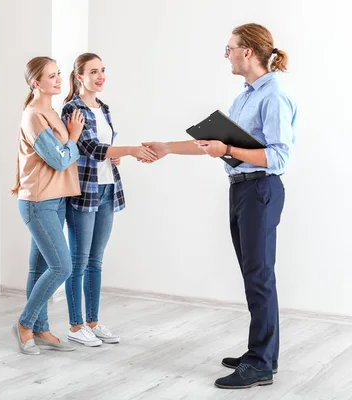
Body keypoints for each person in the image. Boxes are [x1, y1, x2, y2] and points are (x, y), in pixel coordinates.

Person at [144, 23, 297, 389]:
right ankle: (262, 354)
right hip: (242, 190)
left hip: (261, 190)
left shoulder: (273, 95)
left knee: (260, 277)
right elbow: (213, 143)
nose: (226, 54)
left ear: (248, 51)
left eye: (229, 48)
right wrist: (166, 147)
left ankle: (260, 362)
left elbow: (278, 157)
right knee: (253, 276)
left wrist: (228, 150)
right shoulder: (245, 95)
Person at [61, 53, 158, 347]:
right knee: (78, 262)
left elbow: (106, 148)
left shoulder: (103, 108)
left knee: (96, 261)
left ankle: (92, 321)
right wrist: (127, 150)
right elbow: (88, 145)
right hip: (84, 192)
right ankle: (75, 326)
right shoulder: (72, 109)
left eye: (102, 71)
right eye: (93, 72)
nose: (100, 76)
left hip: (107, 190)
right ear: (79, 77)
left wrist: (116, 156)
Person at [10, 56, 85, 355]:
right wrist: (74, 138)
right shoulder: (33, 116)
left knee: (40, 266)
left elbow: (62, 155)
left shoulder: (51, 111)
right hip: (37, 201)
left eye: (58, 74)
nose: (57, 80)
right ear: (35, 83)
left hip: (57, 199)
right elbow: (59, 159)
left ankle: (40, 329)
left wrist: (70, 143)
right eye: (50, 76)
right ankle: (24, 324)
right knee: (61, 266)